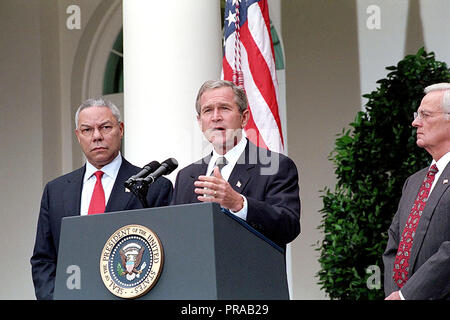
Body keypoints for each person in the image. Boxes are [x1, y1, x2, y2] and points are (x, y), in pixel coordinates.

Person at [30, 98, 173, 300]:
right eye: (87, 130)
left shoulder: (153, 187)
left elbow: (166, 257)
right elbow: (43, 259)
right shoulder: (56, 191)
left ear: (121, 129)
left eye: (105, 127)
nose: (97, 136)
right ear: (78, 136)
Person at [171, 80, 301, 250]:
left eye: (224, 108)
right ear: (200, 121)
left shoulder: (275, 166)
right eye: (208, 110)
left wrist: (239, 204)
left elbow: (289, 226)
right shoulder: (186, 176)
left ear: (244, 117)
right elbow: (175, 232)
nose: (216, 117)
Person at [383, 83, 450, 300]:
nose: (415, 122)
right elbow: (395, 243)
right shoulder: (414, 181)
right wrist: (396, 294)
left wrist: (407, 295)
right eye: (417, 114)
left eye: (425, 115)